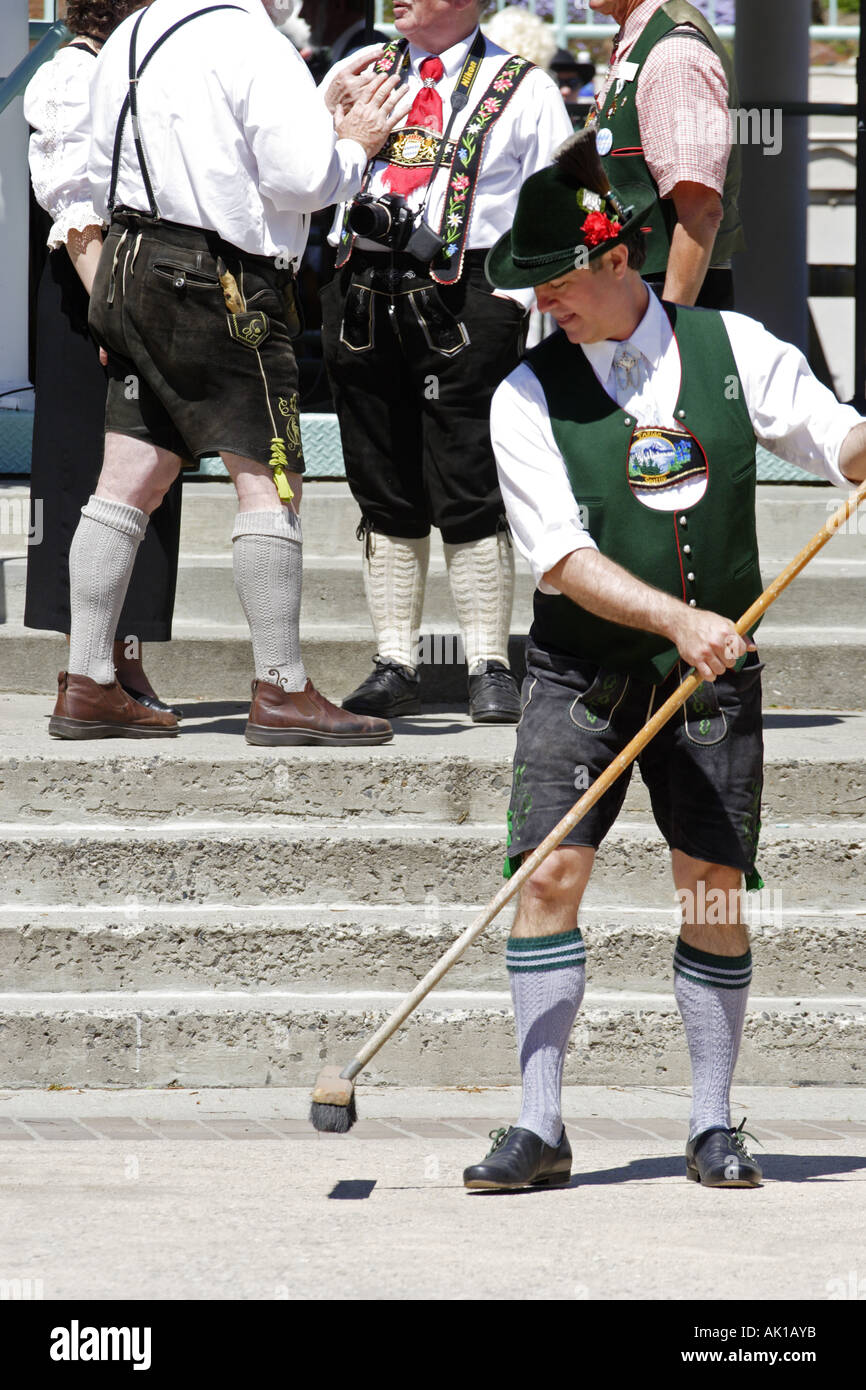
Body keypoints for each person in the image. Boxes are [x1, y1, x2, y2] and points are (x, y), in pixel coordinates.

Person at [461, 131, 866, 1191]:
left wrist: (863, 451)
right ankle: (539, 1126)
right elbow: (558, 560)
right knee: (545, 875)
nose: (539, 305)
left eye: (551, 284)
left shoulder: (736, 348)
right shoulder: (524, 395)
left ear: (611, 262)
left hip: (711, 680)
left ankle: (710, 1121)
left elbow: (831, 436)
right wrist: (675, 620)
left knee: (712, 893)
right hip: (578, 672)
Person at [49, 0, 405, 744]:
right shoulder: (249, 37)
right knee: (270, 478)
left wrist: (318, 113)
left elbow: (165, 153)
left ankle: (87, 679)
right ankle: (281, 689)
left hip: (132, 258)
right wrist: (355, 143)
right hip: (223, 277)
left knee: (128, 477)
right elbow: (303, 179)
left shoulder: (133, 33)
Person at [320, 0, 573, 724]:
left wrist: (519, 302)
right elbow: (303, 170)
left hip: (468, 297)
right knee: (381, 478)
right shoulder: (355, 71)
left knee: (469, 477)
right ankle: (395, 660)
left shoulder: (523, 86)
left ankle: (488, 664)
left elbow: (558, 198)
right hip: (362, 291)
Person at [24, 0, 182, 717]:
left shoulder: (131, 73)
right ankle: (89, 668)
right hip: (89, 294)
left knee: (146, 472)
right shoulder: (70, 75)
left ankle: (120, 659)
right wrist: (113, 314)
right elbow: (74, 206)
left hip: (134, 288)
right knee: (91, 469)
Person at [587, 0, 742, 309]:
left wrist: (669, 326)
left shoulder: (673, 54)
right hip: (632, 295)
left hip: (659, 301)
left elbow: (700, 211)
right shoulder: (641, 41)